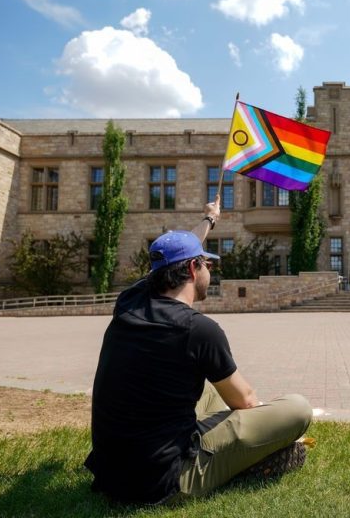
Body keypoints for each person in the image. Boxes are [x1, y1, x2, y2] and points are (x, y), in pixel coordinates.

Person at [85, 197, 313, 505]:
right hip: (164, 480)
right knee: (297, 408)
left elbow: (176, 253)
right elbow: (245, 402)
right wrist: (268, 429)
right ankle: (257, 455)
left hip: (111, 472)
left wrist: (209, 219)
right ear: (194, 269)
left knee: (209, 392)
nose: (210, 270)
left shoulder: (129, 301)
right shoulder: (199, 329)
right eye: (206, 263)